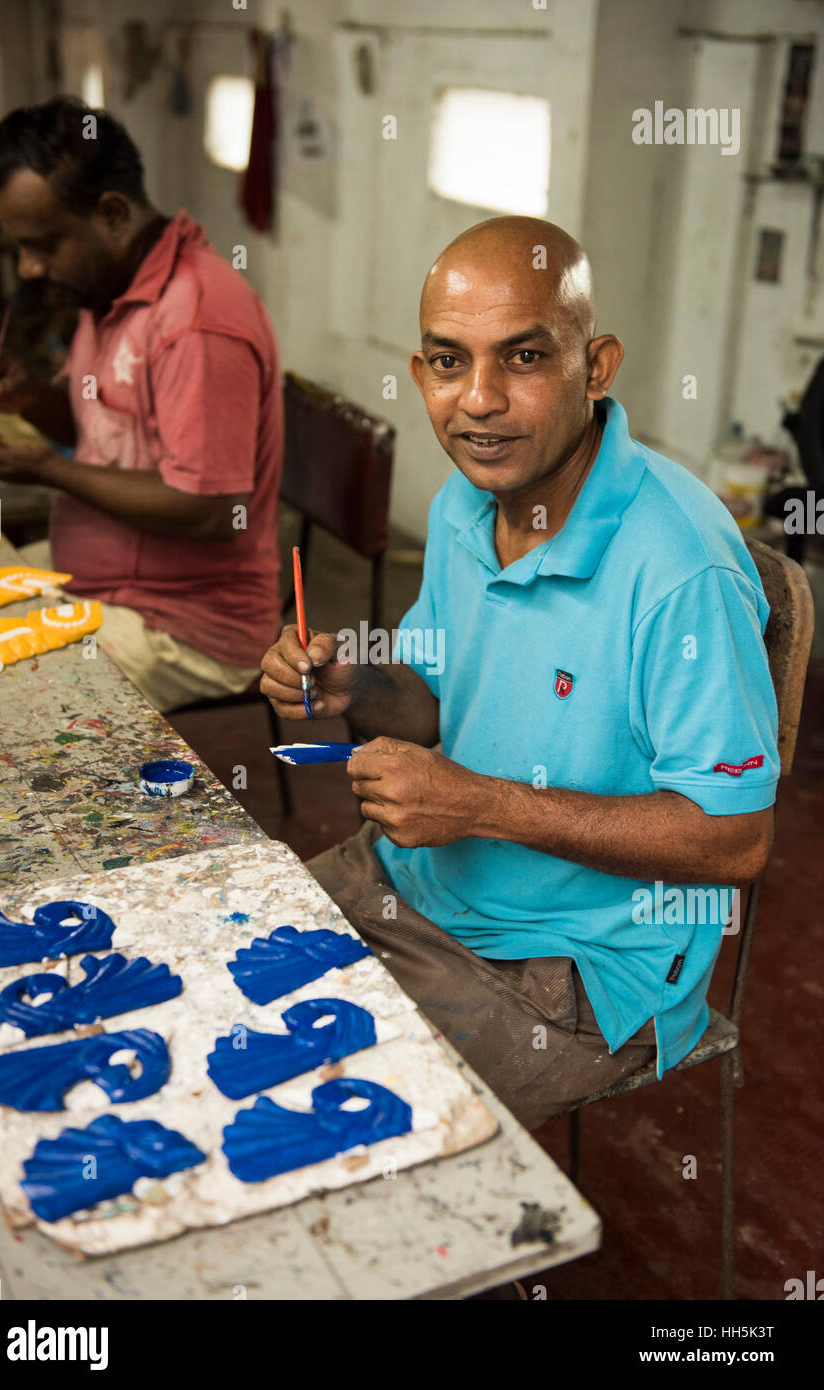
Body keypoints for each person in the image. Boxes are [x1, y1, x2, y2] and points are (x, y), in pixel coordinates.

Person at [259, 216, 779, 1131]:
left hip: (575, 967)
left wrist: (481, 805)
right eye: (448, 362)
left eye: (525, 357)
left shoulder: (678, 571)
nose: (480, 401)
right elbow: (427, 702)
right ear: (420, 373)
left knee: (318, 1122)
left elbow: (733, 841)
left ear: (598, 365)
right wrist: (358, 685)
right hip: (416, 884)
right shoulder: (472, 498)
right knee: (210, 997)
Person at [0, 97, 282, 712]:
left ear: (111, 214)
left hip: (182, 624)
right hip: (97, 576)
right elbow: (93, 426)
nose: (28, 269)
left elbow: (209, 507)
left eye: (45, 245)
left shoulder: (196, 321)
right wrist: (34, 401)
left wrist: (45, 469)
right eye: (19, 248)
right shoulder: (107, 289)